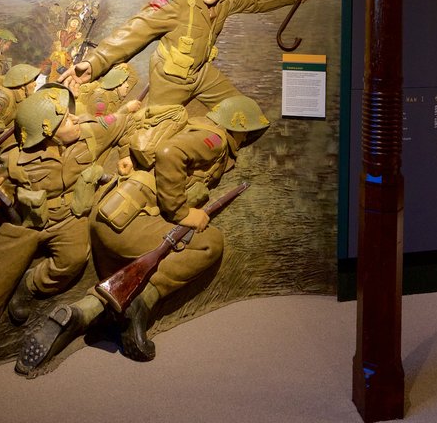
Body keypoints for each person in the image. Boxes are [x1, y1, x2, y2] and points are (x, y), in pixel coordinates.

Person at [14, 94, 270, 373]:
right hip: (130, 222)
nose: (245, 141)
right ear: (239, 128)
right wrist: (182, 213)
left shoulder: (194, 126)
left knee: (124, 286)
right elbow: (170, 154)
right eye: (247, 134)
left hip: (114, 214)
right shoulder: (215, 139)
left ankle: (84, 311)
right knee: (209, 243)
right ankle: (140, 302)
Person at [0, 84, 141, 388]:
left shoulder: (88, 134)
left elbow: (118, 122)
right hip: (26, 225)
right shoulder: (14, 160)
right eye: (67, 119)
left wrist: (128, 126)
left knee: (72, 261)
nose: (76, 120)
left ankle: (30, 285)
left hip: (69, 218)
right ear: (48, 131)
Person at [60, 0, 312, 108]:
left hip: (201, 73)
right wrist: (94, 63)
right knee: (152, 146)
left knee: (243, 114)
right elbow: (134, 31)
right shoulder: (176, 0)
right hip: (170, 79)